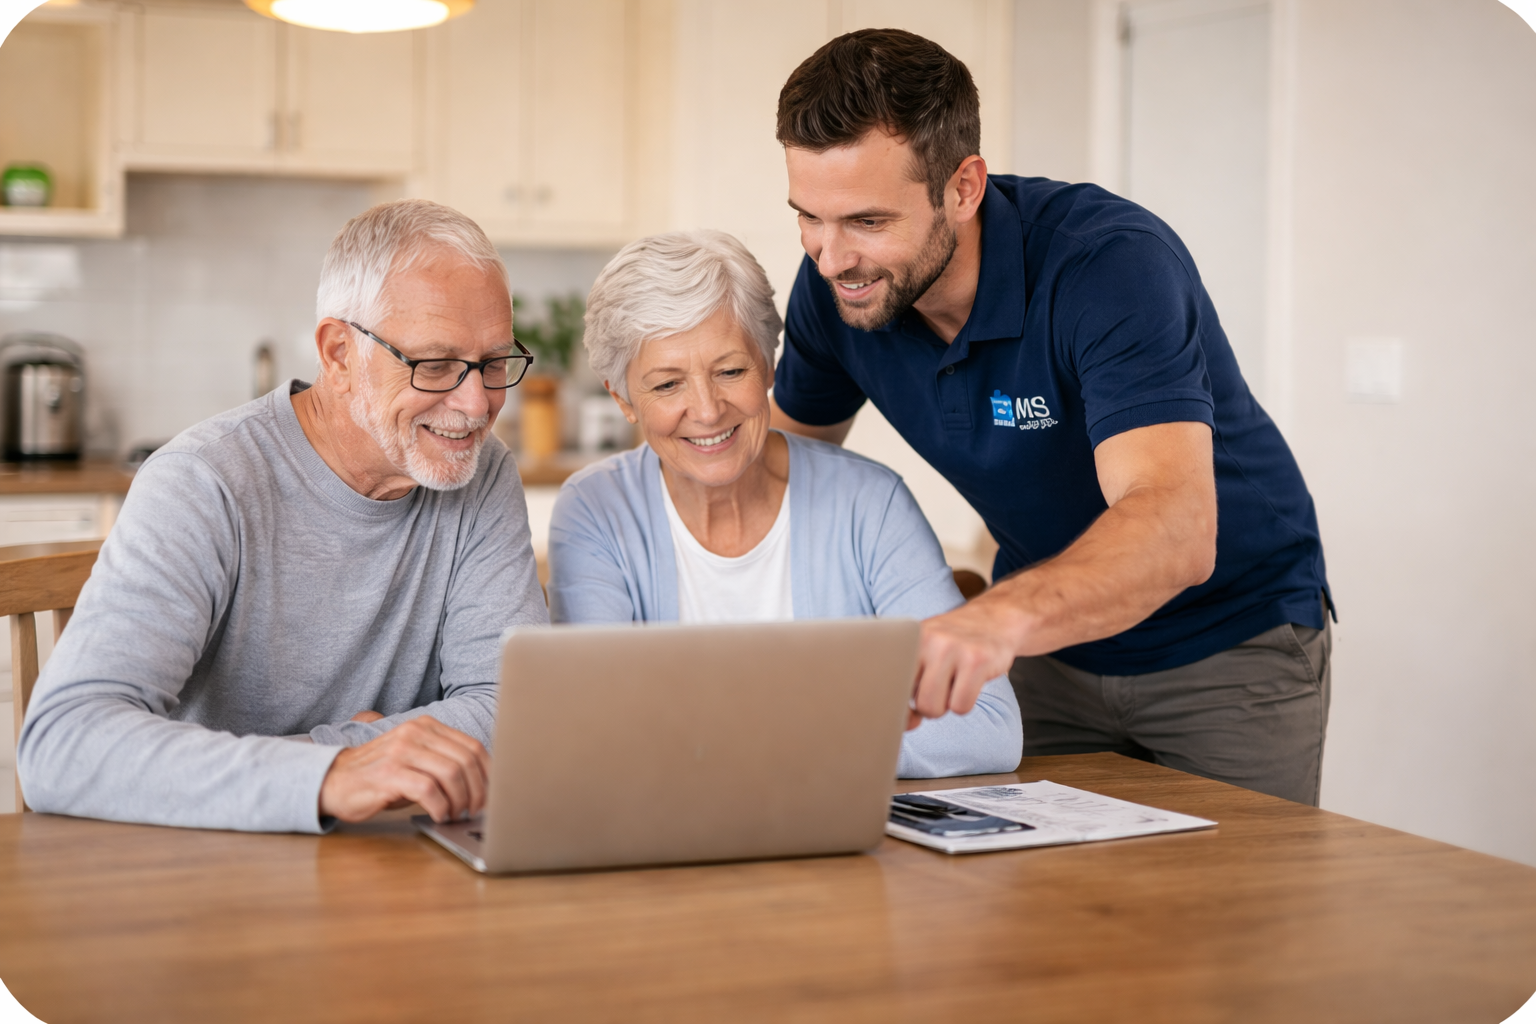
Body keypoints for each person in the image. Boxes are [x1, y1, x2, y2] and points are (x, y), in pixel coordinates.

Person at [770, 29, 1333, 804]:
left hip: (1227, 643)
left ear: (963, 188)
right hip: (1049, 655)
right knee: (1030, 908)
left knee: (1225, 917)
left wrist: (990, 622)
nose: (831, 257)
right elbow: (782, 473)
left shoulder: (1107, 265)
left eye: (867, 221)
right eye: (809, 216)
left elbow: (1174, 526)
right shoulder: (839, 291)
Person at [18, 199, 548, 832]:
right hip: (208, 866)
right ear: (339, 354)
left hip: (391, 862)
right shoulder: (204, 481)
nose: (476, 402)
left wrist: (330, 753)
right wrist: (333, 773)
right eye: (435, 365)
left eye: (493, 363)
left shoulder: (481, 477)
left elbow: (512, 710)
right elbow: (63, 745)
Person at [547, 230, 1021, 778]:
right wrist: (834, 731)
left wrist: (782, 746)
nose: (706, 411)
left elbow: (989, 724)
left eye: (730, 371)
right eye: (667, 385)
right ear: (622, 399)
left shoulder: (870, 502)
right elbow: (598, 728)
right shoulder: (595, 510)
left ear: (769, 367)